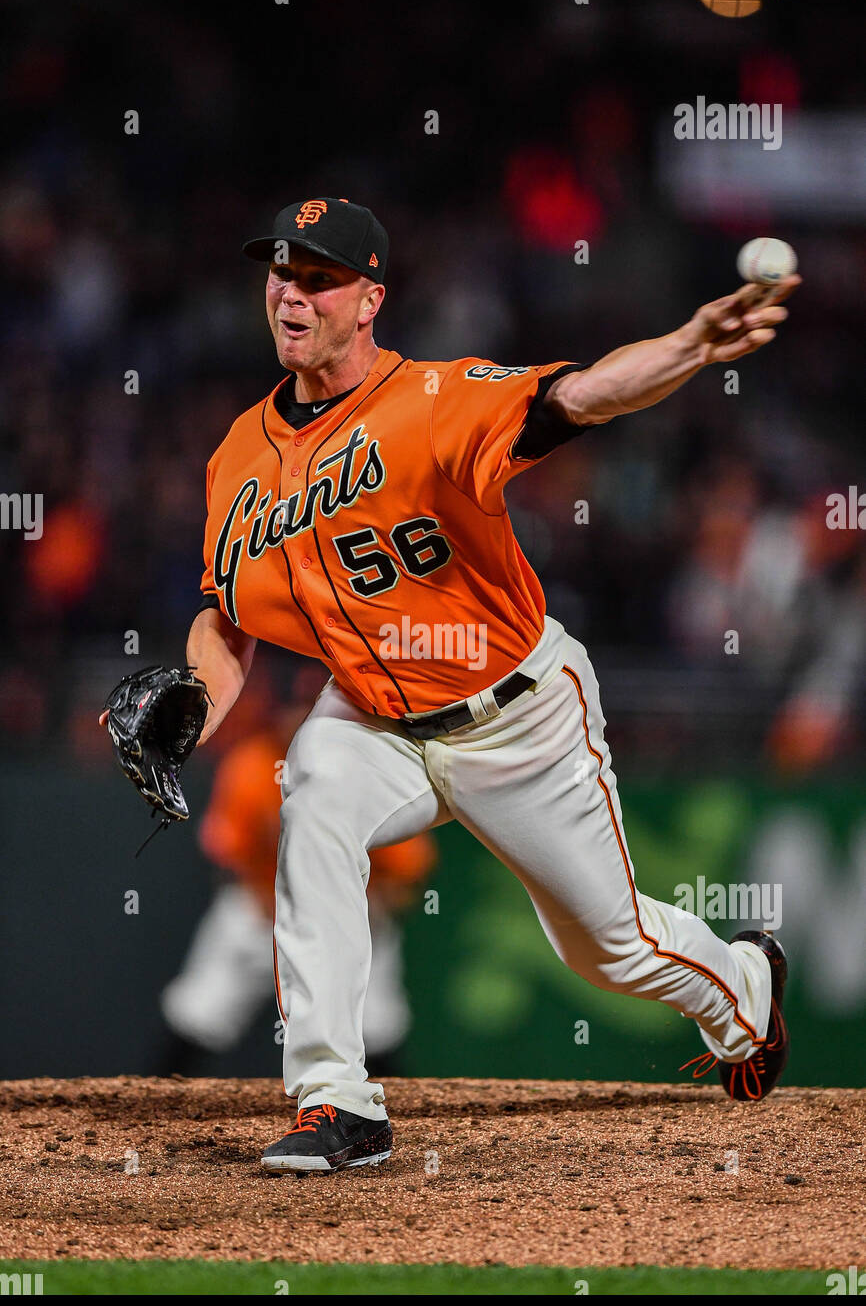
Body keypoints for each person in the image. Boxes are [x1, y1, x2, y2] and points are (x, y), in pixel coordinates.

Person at [184, 196, 799, 1173]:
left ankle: (738, 990)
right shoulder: (236, 460)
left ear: (369, 298)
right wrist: (195, 700)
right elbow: (225, 613)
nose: (289, 296)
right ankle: (334, 1097)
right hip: (372, 717)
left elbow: (586, 394)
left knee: (608, 948)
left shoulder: (438, 397)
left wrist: (687, 345)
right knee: (313, 793)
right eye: (280, 274)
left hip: (514, 714)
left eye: (318, 278)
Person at [155, 663, 436, 1076]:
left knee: (377, 1025)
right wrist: (279, 906)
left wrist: (359, 904)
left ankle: (396, 1120)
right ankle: (152, 1105)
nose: (307, 719)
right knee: (200, 1008)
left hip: (350, 911)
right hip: (264, 905)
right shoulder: (252, 763)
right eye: (298, 708)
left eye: (315, 707)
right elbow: (230, 853)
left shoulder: (372, 769)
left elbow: (409, 868)